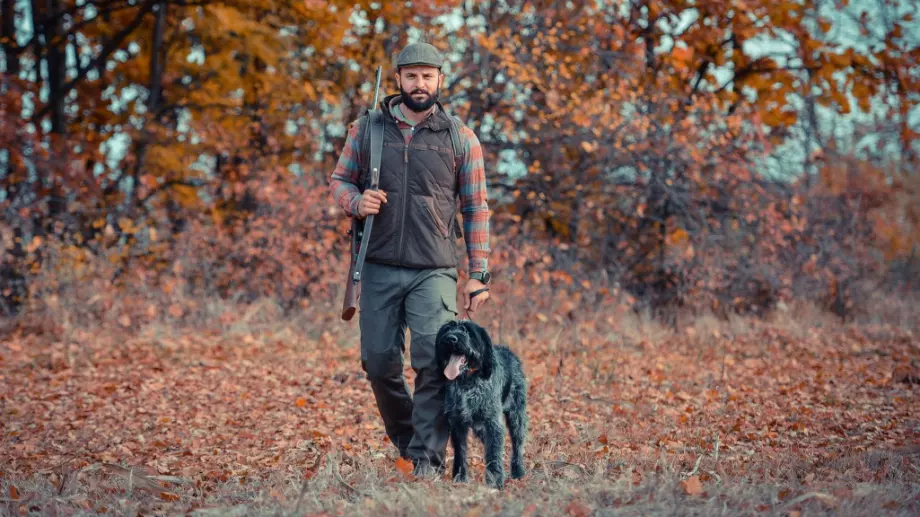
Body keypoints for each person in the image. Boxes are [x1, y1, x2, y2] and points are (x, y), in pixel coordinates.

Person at [328, 42, 493, 477]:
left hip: (434, 268)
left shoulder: (461, 138)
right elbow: (340, 180)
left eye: (428, 75)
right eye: (411, 75)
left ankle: (425, 460)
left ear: (440, 79)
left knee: (433, 359)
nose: (420, 84)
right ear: (398, 79)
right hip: (378, 263)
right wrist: (355, 201)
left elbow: (476, 208)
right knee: (379, 363)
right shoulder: (367, 129)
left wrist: (478, 273)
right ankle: (408, 440)